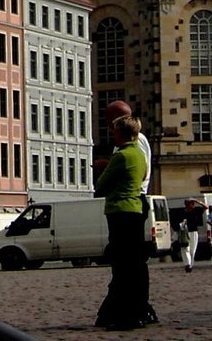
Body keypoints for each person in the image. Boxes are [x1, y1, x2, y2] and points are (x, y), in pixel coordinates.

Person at [93, 115, 154, 332]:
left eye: (115, 132)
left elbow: (101, 186)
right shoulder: (139, 154)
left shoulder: (122, 156)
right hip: (136, 209)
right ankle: (137, 309)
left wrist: (103, 169)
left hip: (120, 210)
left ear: (121, 133)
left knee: (122, 265)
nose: (113, 136)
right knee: (134, 264)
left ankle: (125, 314)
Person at [103, 101, 151, 192]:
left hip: (133, 193)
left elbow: (139, 169)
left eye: (108, 118)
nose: (106, 123)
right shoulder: (128, 139)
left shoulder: (137, 139)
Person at [178, 198, 205, 273]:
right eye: (192, 203)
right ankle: (187, 264)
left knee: (192, 250)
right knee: (185, 248)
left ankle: (190, 264)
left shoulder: (196, 211)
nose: (193, 205)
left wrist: (197, 201)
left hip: (194, 232)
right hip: (185, 233)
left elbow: (206, 207)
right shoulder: (182, 212)